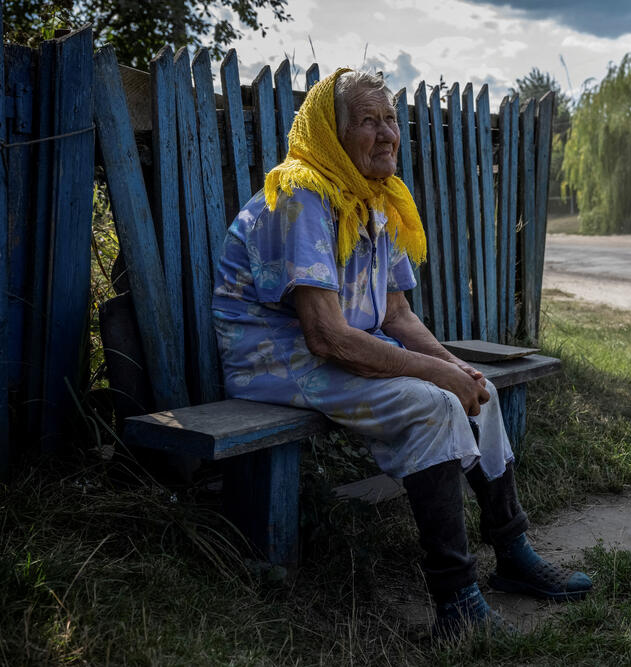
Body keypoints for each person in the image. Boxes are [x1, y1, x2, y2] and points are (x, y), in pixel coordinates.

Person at [211, 68, 591, 636]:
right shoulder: (301, 194)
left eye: (390, 119)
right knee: (436, 402)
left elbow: (396, 316)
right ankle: (457, 601)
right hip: (274, 358)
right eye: (368, 121)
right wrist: (437, 376)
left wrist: (456, 367)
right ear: (332, 133)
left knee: (475, 391)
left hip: (332, 351)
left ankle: (513, 555)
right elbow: (327, 336)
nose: (387, 133)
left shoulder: (374, 200)